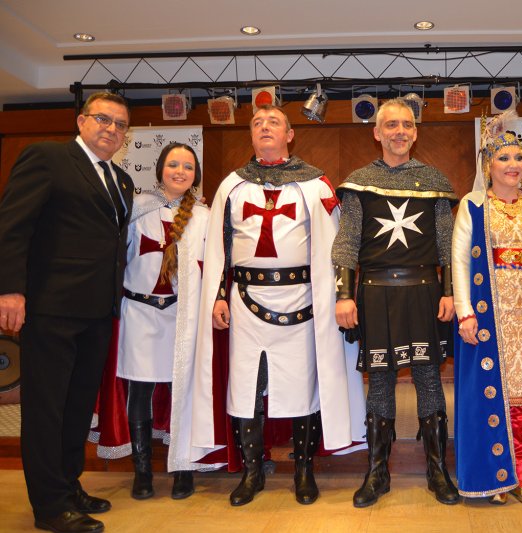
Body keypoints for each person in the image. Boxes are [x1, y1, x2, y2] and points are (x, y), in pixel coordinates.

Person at [191, 104, 360, 506]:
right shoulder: (232, 185)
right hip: (246, 302)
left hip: (302, 300)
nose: (265, 128)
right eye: (257, 124)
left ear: (289, 135)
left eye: (274, 123)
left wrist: (339, 294)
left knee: (303, 387)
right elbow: (218, 247)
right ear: (250, 136)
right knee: (247, 388)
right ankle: (252, 472)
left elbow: (337, 246)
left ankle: (303, 470)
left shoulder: (314, 184)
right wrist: (217, 295)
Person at [0, 92, 133, 533]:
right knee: (47, 409)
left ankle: (68, 484)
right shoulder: (47, 158)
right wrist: (10, 291)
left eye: (119, 124)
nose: (111, 129)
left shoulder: (120, 180)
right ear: (81, 121)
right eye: (102, 119)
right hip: (51, 307)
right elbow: (12, 226)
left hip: (98, 311)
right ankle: (49, 506)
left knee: (77, 406)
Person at [333, 98, 459, 507]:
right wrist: (344, 295)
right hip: (375, 294)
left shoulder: (435, 180)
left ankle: (438, 472)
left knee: (427, 379)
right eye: (391, 125)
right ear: (377, 132)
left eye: (406, 125)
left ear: (416, 132)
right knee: (382, 381)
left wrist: (450, 291)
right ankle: (377, 472)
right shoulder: (358, 182)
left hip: (423, 292)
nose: (399, 132)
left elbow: (448, 244)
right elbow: (347, 243)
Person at [451, 111, 522, 505]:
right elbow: (461, 259)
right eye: (505, 158)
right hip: (489, 316)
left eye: (519, 158)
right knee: (491, 393)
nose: (514, 165)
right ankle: (495, 477)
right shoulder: (473, 205)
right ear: (489, 165)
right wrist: (465, 311)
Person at [91, 143, 209, 500]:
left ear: (195, 175)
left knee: (180, 392)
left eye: (187, 166)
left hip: (181, 315)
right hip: (138, 314)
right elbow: (115, 261)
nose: (179, 171)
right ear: (159, 169)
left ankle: (182, 469)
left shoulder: (203, 216)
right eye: (173, 164)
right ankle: (142, 472)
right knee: (139, 392)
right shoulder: (135, 209)